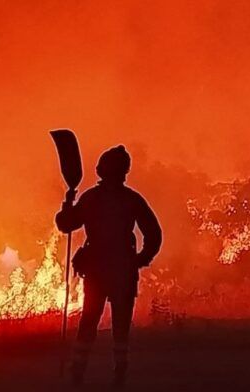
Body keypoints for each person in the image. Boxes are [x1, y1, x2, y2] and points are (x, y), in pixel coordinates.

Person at [55, 145, 162, 387]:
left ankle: (78, 372)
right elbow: (154, 235)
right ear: (124, 172)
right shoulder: (131, 199)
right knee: (120, 328)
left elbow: (66, 224)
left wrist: (67, 203)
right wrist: (140, 259)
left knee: (88, 323)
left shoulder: (92, 198)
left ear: (102, 170)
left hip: (98, 270)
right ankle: (118, 374)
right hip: (121, 270)